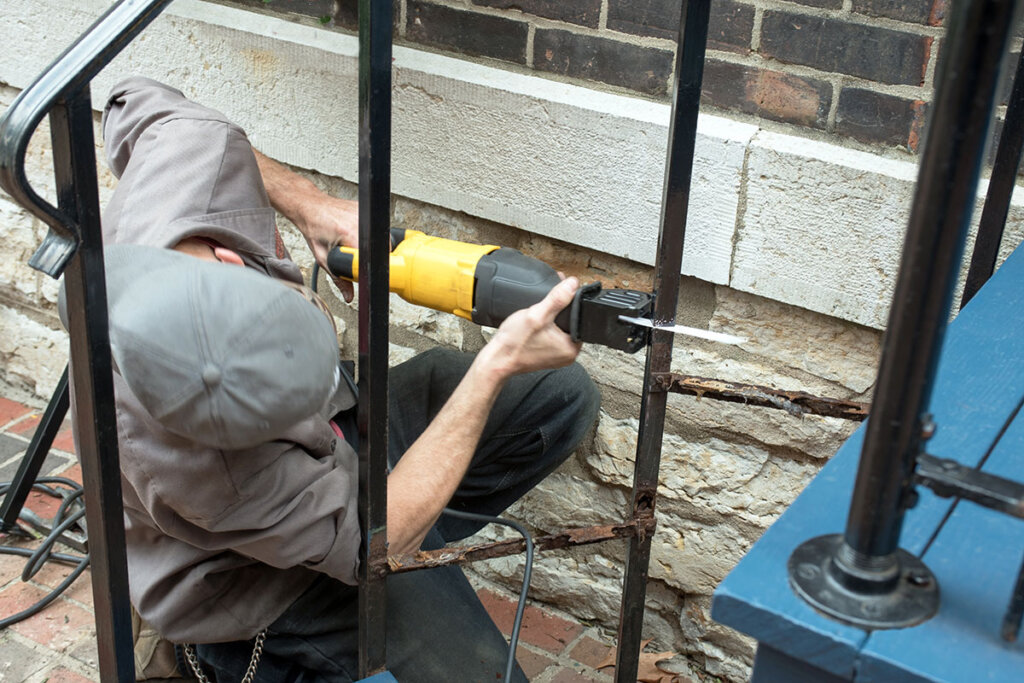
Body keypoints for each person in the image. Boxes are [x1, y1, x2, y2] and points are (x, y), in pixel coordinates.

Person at [96, 76, 600, 682]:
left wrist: (304, 199)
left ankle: (416, 528)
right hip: (266, 581)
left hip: (334, 447)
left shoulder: (178, 180)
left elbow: (137, 103)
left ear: (229, 260)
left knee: (556, 399)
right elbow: (371, 545)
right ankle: (246, 655)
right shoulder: (212, 471)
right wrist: (495, 364)